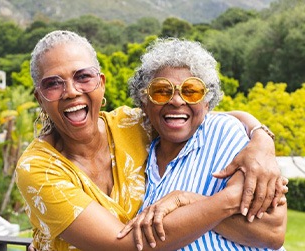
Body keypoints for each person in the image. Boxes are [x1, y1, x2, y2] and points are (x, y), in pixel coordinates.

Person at [15, 30, 286, 251]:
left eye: (82, 77)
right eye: (53, 83)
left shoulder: (130, 125)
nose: (71, 92)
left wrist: (261, 139)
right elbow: (123, 245)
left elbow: (194, 114)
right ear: (39, 97)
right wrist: (227, 199)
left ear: (101, 82)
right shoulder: (38, 168)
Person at [118, 37, 287, 250]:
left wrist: (186, 200)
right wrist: (206, 207)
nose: (177, 101)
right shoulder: (140, 156)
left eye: (191, 91)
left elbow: (271, 232)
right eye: (161, 91)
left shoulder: (223, 132)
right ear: (144, 101)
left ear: (207, 102)